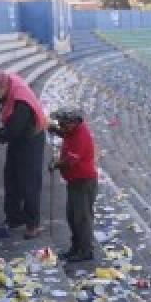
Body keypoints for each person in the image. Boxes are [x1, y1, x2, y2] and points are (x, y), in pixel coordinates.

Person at [0, 70, 47, 239]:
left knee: (29, 182)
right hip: (18, 136)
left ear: (4, 87)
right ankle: (14, 217)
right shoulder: (6, 82)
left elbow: (13, 129)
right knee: (11, 176)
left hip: (31, 138)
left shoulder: (22, 102)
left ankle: (33, 224)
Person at [47, 108, 98, 262]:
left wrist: (56, 164)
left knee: (81, 218)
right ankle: (76, 247)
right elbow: (66, 134)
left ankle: (85, 251)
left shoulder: (81, 137)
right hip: (75, 182)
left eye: (64, 124)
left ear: (74, 123)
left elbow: (70, 161)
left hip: (83, 182)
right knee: (72, 216)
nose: (61, 127)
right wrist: (55, 130)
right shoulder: (73, 130)